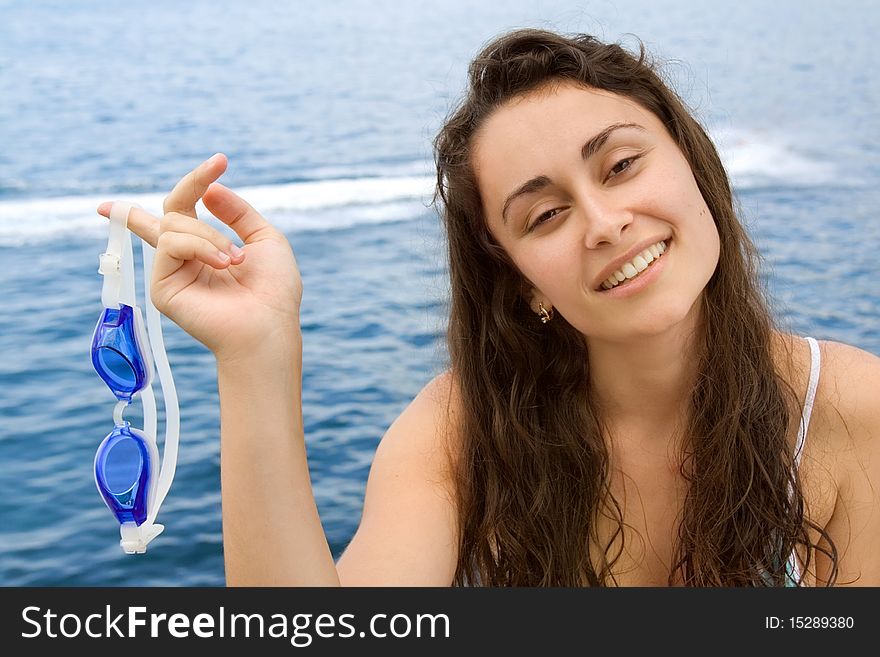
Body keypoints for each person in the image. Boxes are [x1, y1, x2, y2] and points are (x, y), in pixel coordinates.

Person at [98, 28, 879, 586]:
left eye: (622, 165)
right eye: (544, 215)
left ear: (695, 168)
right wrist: (255, 356)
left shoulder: (850, 412)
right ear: (522, 280)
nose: (605, 223)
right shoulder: (459, 435)